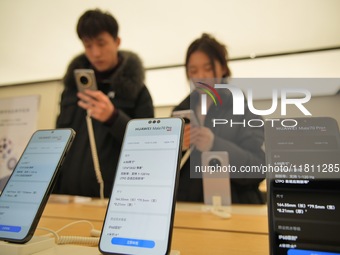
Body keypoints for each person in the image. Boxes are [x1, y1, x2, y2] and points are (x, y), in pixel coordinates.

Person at [53, 9, 154, 198]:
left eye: (101, 43)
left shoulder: (137, 90)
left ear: (117, 42)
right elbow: (60, 144)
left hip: (116, 198)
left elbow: (148, 146)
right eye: (88, 45)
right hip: (67, 196)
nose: (95, 53)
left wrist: (114, 118)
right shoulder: (71, 90)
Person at [173, 33, 265, 204]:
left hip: (235, 209)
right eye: (193, 70)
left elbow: (258, 168)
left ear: (223, 68)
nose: (200, 75)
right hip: (189, 210)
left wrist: (214, 145)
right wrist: (177, 149)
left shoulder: (243, 108)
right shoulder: (180, 112)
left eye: (207, 68)